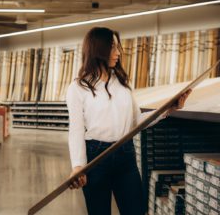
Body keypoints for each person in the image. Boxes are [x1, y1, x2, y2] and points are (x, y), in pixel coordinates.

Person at [66, 27, 190, 215]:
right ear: (98, 49)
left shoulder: (123, 83)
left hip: (125, 155)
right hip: (96, 158)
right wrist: (78, 167)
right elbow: (76, 130)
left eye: (118, 47)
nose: (118, 52)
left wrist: (168, 108)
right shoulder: (78, 88)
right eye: (113, 47)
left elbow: (135, 122)